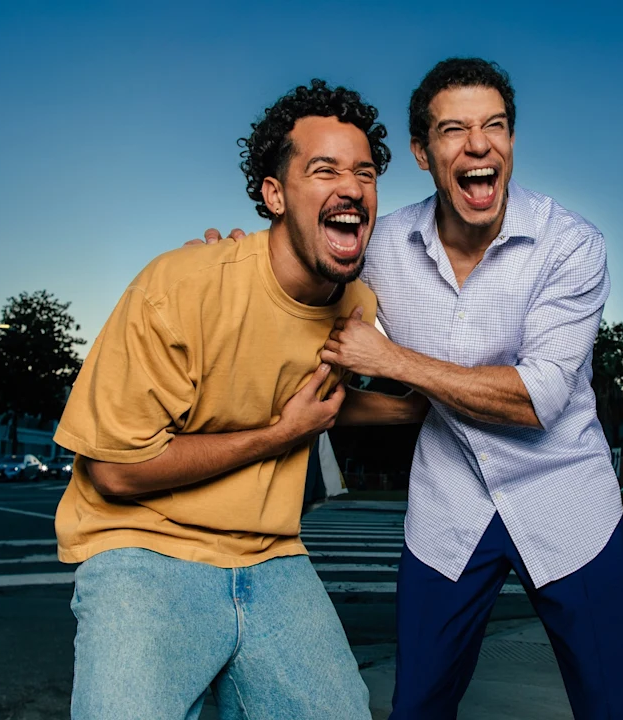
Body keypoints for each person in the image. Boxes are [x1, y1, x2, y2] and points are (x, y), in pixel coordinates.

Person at [191, 58, 623, 720]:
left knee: (611, 704)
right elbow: (299, 280)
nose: (478, 144)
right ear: (423, 152)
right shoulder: (382, 248)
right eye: (453, 129)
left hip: (567, 502)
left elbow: (537, 397)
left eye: (495, 126)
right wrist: (233, 264)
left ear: (511, 142)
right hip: (450, 510)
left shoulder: (570, 245)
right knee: (419, 706)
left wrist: (395, 359)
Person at [54, 79, 425, 720]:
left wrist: (413, 409)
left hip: (271, 554)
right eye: (324, 168)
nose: (353, 187)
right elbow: (113, 470)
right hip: (140, 546)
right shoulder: (180, 288)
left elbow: (308, 397)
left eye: (364, 172)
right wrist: (279, 438)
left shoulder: (358, 307)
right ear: (274, 194)